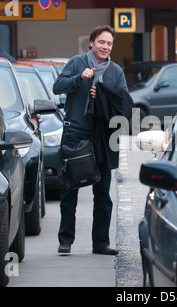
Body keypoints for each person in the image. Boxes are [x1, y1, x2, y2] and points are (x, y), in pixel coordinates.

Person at [52, 25, 134, 255]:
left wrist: (105, 95)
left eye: (109, 43)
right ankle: (65, 240)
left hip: (103, 136)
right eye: (101, 42)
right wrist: (80, 78)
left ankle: (100, 243)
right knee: (70, 188)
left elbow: (125, 104)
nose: (105, 47)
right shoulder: (77, 63)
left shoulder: (115, 71)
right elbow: (57, 86)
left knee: (103, 193)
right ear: (91, 43)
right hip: (75, 133)